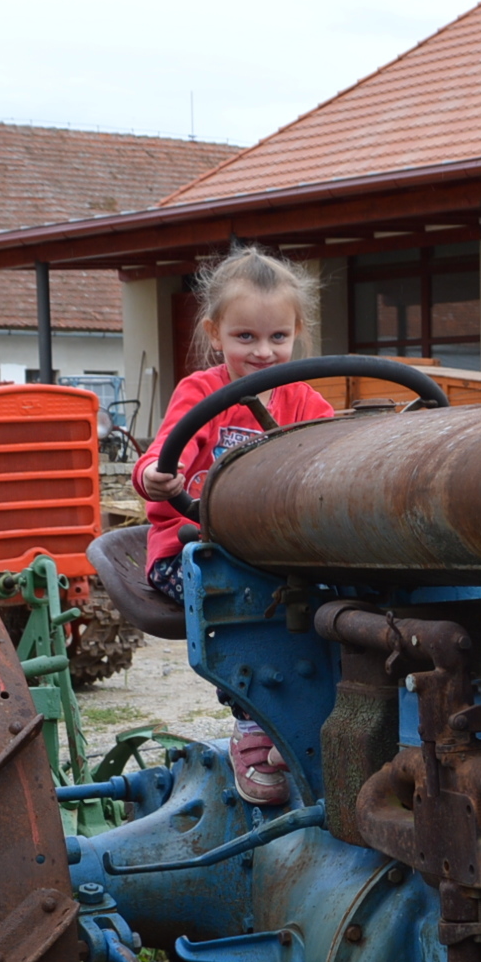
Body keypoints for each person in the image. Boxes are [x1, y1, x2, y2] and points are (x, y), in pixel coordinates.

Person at [135, 249, 335, 807]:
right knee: (251, 602)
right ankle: (253, 725)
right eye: (245, 336)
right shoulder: (202, 393)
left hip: (274, 549)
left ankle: (329, 713)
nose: (263, 351)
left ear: (297, 332)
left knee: (345, 592)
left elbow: (332, 456)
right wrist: (157, 476)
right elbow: (158, 458)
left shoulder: (305, 400)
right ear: (215, 334)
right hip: (190, 549)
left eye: (277, 336)